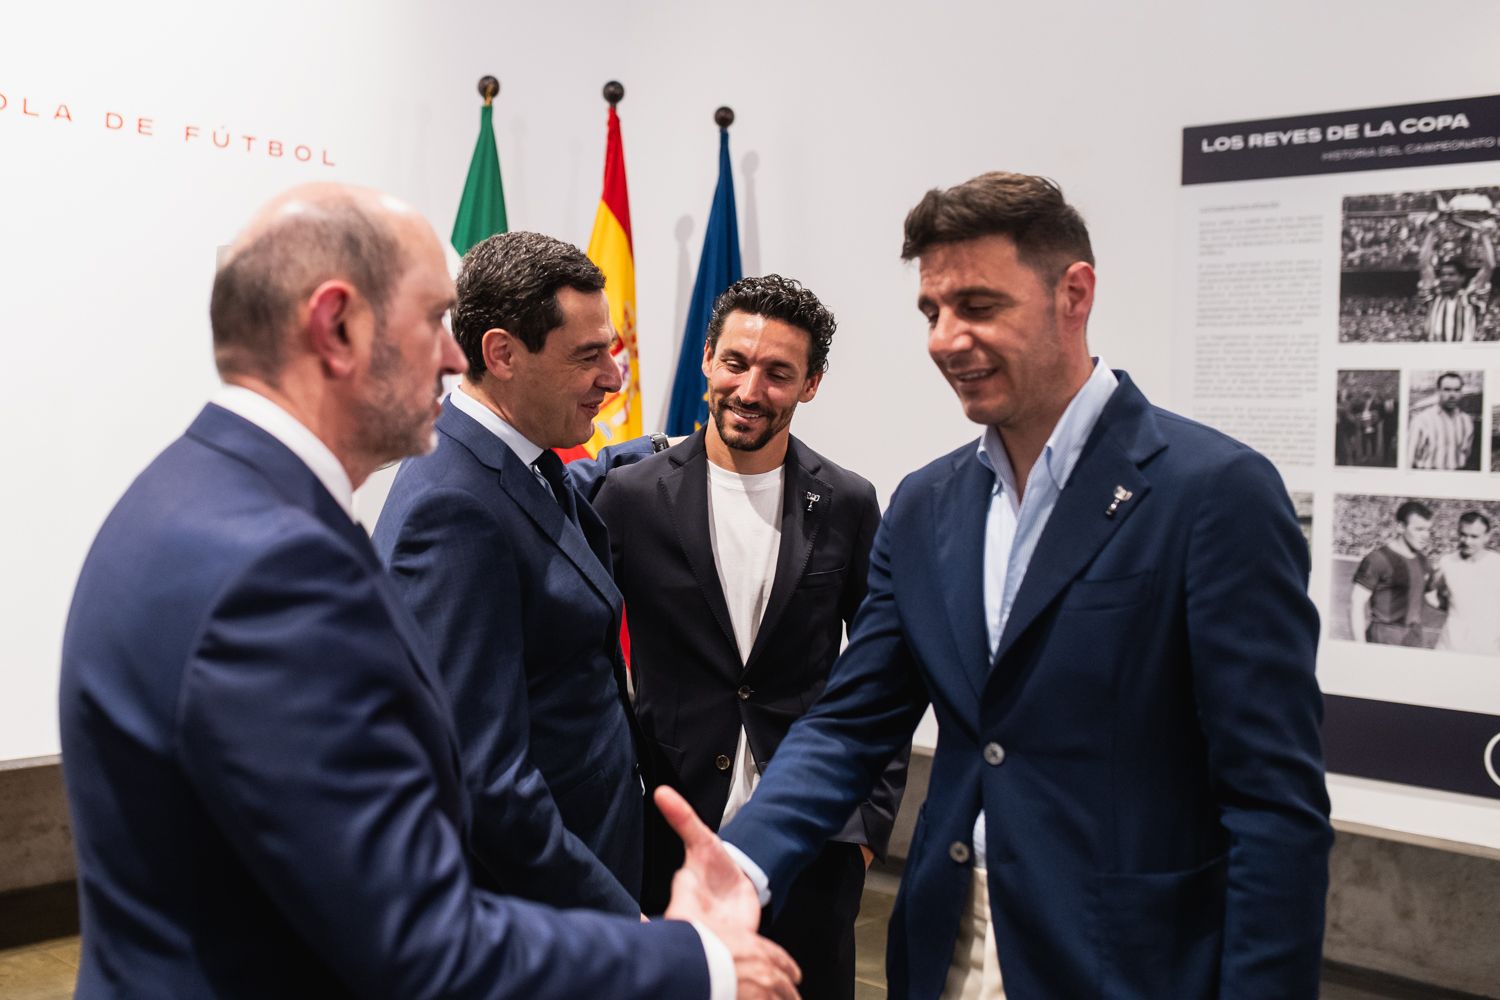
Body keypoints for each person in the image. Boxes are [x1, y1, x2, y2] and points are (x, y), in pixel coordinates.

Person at [59, 183, 799, 999]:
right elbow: (412, 930)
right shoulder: (277, 568)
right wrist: (690, 961)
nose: (454, 358)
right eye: (433, 322)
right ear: (337, 326)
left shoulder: (193, 491)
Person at [710, 172, 1332, 999]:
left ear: (1074, 294)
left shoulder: (1214, 493)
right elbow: (852, 724)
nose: (946, 339)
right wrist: (737, 866)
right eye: (932, 311)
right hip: (941, 955)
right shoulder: (926, 505)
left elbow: (1273, 805)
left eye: (977, 305)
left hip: (1129, 966)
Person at [594, 275, 908, 1000]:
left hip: (810, 846)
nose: (750, 389)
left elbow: (887, 665)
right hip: (668, 837)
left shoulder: (849, 501)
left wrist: (865, 828)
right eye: (735, 362)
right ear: (707, 359)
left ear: (811, 385)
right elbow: (588, 657)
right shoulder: (630, 497)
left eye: (778, 373)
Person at [373, 231, 651, 916]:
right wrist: (620, 920)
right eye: (588, 356)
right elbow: (485, 779)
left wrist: (651, 450)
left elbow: (545, 508)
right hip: (546, 908)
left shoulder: (507, 458)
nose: (613, 379)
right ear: (502, 354)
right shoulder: (451, 511)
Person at [1351, 500, 1434, 648]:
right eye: (1419, 529)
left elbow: (1432, 598)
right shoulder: (1377, 559)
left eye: (1428, 530)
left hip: (1415, 636)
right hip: (1384, 636)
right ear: (1400, 527)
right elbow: (1356, 604)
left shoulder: (1424, 561)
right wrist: (1360, 648)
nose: (1425, 535)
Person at [1416, 201, 1494, 342]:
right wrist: (1431, 232)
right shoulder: (1434, 297)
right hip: (1435, 352)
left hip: (1463, 353)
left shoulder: (1470, 297)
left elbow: (1488, 267)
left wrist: (1484, 237)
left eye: (1451, 275)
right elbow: (1424, 265)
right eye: (1443, 275)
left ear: (1462, 278)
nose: (1445, 278)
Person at [1431, 511, 1500, 654]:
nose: (1467, 541)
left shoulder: (1496, 564)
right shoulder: (1447, 562)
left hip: (1488, 646)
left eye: (1474, 536)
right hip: (1450, 644)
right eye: (1463, 535)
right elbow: (1435, 595)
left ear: (1487, 536)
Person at [1408, 372, 1476, 471]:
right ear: (1438, 391)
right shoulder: (1422, 420)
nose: (1452, 395)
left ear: (1461, 393)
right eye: (1447, 390)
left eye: (1457, 390)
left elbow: (1466, 453)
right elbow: (1409, 459)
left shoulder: (1466, 421)